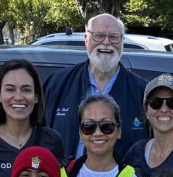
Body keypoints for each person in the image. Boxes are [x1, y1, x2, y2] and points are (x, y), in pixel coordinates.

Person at [43, 13, 147, 161]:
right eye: (98, 35)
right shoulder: (57, 84)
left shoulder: (141, 91)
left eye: (114, 37)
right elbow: (39, 136)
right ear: (86, 39)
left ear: (122, 41)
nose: (106, 42)